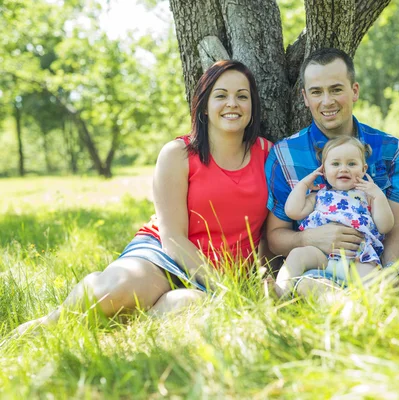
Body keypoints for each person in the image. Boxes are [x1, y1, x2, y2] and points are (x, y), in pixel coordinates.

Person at [16, 60, 272, 334]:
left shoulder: (269, 155)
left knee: (189, 306)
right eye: (221, 95)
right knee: (118, 289)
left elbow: (271, 231)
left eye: (242, 96)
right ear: (204, 106)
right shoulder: (178, 154)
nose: (232, 103)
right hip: (165, 257)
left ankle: (130, 325)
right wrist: (222, 286)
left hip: (228, 270)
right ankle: (51, 323)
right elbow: (172, 238)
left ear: (252, 106)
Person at [265, 47, 399, 297]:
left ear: (355, 91)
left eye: (336, 89)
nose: (327, 101)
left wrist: (385, 272)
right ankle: (362, 314)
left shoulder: (390, 149)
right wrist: (308, 239)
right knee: (314, 287)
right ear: (305, 97)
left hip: (373, 264)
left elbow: (398, 228)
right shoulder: (284, 155)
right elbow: (275, 236)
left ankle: (395, 313)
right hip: (318, 267)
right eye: (317, 92)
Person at [274, 136, 394, 298]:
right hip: (321, 254)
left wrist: (379, 196)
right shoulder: (318, 195)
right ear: (323, 170)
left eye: (351, 164)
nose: (343, 169)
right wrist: (303, 185)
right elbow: (293, 211)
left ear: (364, 169)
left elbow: (385, 226)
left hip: (358, 256)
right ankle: (280, 291)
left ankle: (369, 304)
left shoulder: (368, 196)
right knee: (297, 255)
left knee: (371, 276)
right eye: (336, 164)